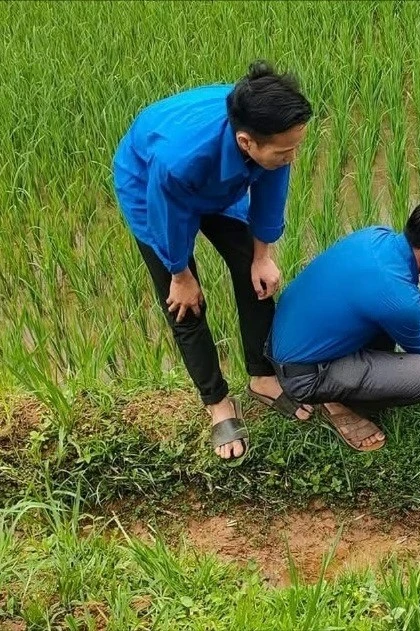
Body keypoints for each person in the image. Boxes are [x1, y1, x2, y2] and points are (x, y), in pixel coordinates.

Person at [112, 60, 315, 462]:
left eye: (297, 145)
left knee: (256, 279)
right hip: (151, 186)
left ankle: (262, 375)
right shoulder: (179, 160)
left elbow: (270, 197)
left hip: (220, 183)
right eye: (285, 150)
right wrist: (179, 273)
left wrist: (263, 256)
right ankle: (217, 402)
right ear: (246, 142)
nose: (293, 156)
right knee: (184, 305)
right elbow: (167, 216)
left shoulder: (269, 137)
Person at [267, 200, 420, 452]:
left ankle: (347, 383)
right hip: (304, 374)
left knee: (390, 322)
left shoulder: (377, 237)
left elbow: (417, 307)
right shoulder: (396, 297)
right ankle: (336, 402)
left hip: (287, 338)